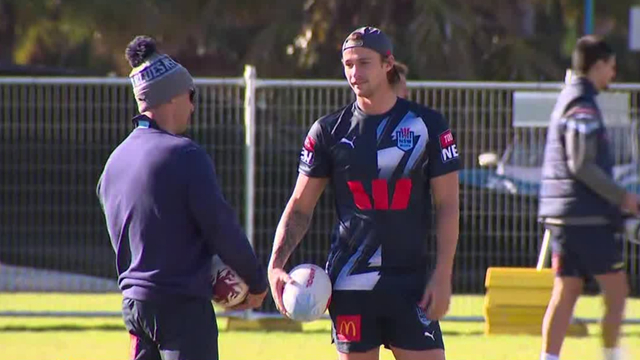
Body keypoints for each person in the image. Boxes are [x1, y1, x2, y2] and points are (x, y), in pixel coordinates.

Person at [268, 27, 460, 360]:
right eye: (348, 64)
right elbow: (300, 206)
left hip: (411, 285)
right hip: (350, 284)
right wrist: (275, 264)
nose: (355, 73)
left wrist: (443, 274)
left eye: (364, 63)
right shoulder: (329, 131)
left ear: (388, 64)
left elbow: (448, 205)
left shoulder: (426, 125)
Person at [97, 35, 267, 360]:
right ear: (173, 96)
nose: (192, 107)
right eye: (191, 96)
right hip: (182, 309)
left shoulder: (114, 163)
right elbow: (221, 228)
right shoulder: (185, 155)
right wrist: (256, 283)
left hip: (135, 308)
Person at [538, 35, 638, 360]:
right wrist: (623, 197)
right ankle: (612, 355)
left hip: (564, 213)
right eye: (610, 66)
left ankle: (548, 357)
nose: (613, 73)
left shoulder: (570, 97)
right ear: (597, 66)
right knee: (617, 290)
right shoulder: (582, 103)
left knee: (567, 290)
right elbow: (581, 163)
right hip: (585, 215)